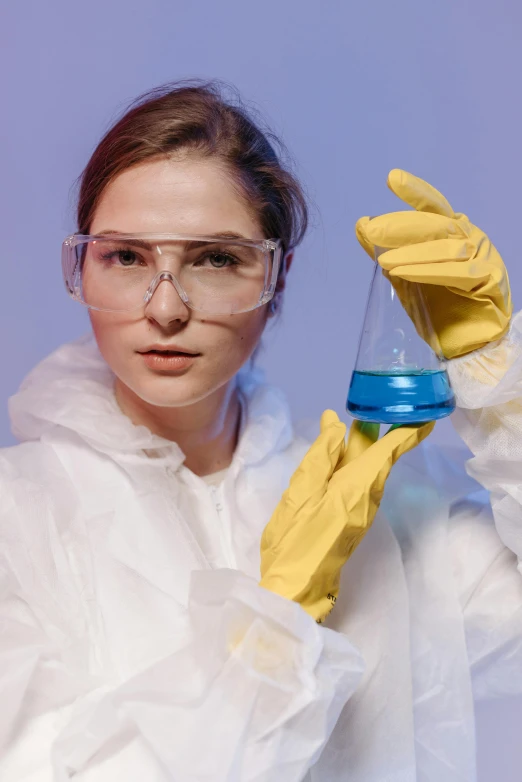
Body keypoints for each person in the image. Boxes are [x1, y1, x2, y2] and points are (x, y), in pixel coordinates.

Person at [0, 81, 521, 782]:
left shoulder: (373, 507)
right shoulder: (18, 525)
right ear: (82, 264)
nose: (165, 310)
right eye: (126, 257)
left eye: (215, 259)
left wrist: (501, 388)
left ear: (278, 278)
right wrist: (276, 628)